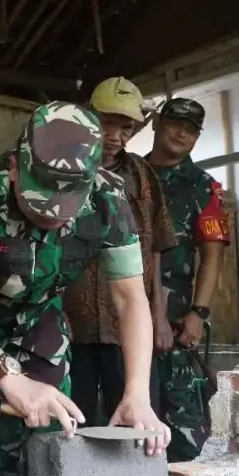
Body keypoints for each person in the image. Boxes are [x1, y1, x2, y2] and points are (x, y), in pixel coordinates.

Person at [0, 101, 170, 476]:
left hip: (37, 314)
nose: (47, 217)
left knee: (58, 421)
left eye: (62, 208)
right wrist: (6, 374)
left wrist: (137, 394)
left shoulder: (110, 199)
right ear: (17, 166)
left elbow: (131, 299)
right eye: (37, 204)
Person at [64, 78, 176, 426]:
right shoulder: (60, 169)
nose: (115, 136)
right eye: (106, 123)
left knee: (135, 423)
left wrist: (158, 314)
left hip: (126, 325)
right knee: (68, 425)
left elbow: (154, 246)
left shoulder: (142, 176)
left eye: (125, 127)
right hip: (70, 324)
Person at [146, 97, 229, 462]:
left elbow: (213, 255)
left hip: (177, 320)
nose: (182, 134)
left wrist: (199, 312)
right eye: (175, 124)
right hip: (118, 311)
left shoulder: (203, 188)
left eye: (192, 130)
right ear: (156, 124)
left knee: (182, 421)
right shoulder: (128, 175)